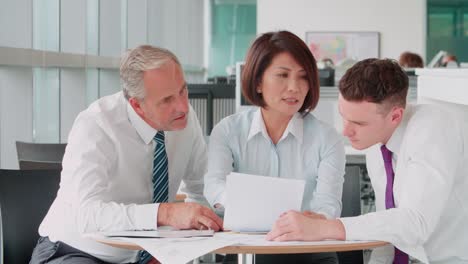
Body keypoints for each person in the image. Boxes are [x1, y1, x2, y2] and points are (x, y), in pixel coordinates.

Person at [30, 45, 223, 264]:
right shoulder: (96, 125)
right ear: (137, 105)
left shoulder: (185, 122)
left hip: (150, 256)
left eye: (183, 90)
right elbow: (86, 215)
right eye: (167, 100)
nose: (183, 106)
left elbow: (202, 191)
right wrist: (164, 214)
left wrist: (176, 250)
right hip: (77, 251)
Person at [266, 58, 468, 264]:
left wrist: (324, 228)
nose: (345, 131)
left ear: (395, 116)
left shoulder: (433, 129)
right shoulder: (375, 142)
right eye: (344, 116)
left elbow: (415, 224)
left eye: (359, 123)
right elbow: (388, 234)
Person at [204, 31, 346, 264]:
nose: (294, 87)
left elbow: (328, 205)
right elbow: (213, 186)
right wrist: (243, 205)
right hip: (245, 248)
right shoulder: (228, 131)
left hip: (308, 250)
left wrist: (315, 219)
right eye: (282, 75)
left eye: (303, 77)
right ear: (258, 82)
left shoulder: (327, 138)